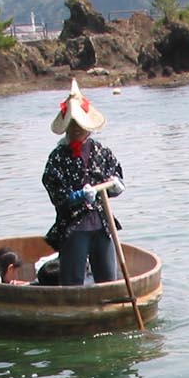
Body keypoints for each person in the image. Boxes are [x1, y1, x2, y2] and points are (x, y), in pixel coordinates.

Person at [42, 80, 126, 288]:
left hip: (101, 222)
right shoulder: (58, 157)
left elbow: (115, 176)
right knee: (72, 281)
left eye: (80, 124)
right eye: (72, 125)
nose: (76, 129)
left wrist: (116, 185)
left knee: (108, 279)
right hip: (74, 226)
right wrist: (77, 196)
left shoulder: (101, 152)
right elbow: (55, 191)